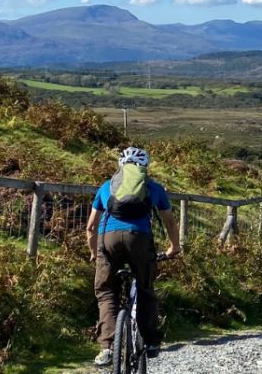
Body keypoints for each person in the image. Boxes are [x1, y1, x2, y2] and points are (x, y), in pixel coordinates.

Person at [86, 147, 181, 366]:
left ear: (120, 166)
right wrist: (173, 246)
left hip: (107, 239)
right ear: (144, 167)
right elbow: (169, 221)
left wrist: (94, 253)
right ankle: (150, 342)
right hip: (139, 239)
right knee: (145, 288)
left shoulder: (106, 187)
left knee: (106, 290)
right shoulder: (153, 188)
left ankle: (106, 348)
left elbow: (91, 227)